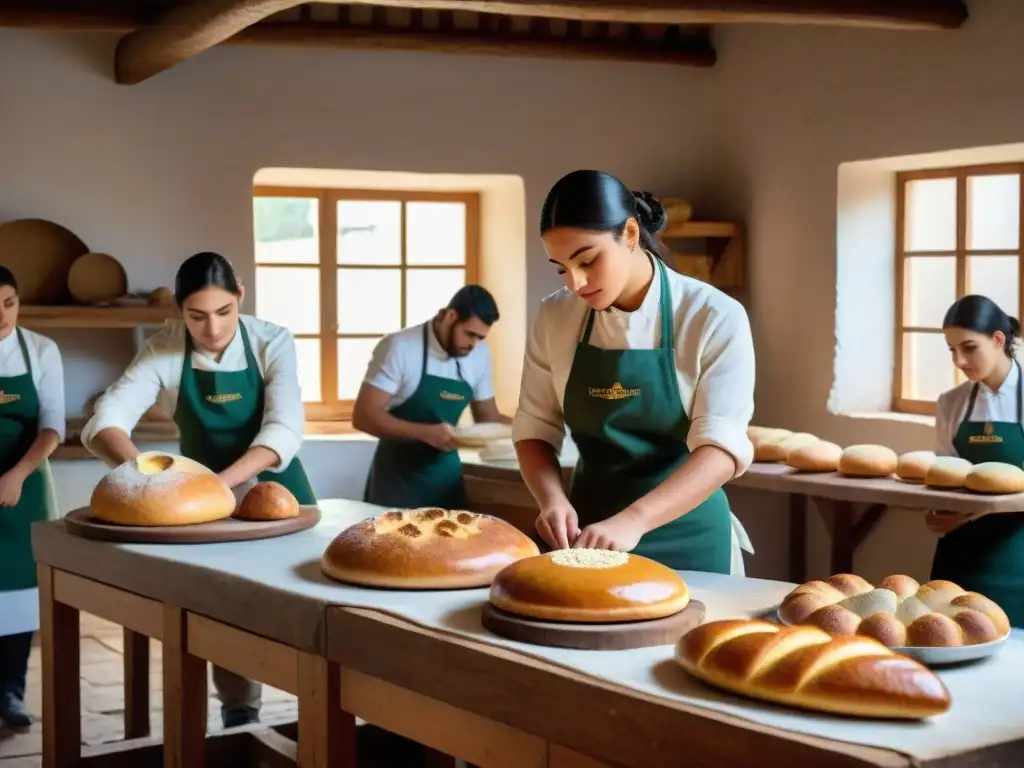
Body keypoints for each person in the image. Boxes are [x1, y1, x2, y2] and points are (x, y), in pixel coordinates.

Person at [81, 251, 315, 728]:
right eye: (197, 316)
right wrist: (149, 477)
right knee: (222, 609)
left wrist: (215, 485)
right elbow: (107, 421)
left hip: (276, 491)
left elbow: (284, 427)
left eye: (224, 312)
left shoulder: (273, 340)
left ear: (241, 296)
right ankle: (240, 717)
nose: (212, 329)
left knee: (299, 605)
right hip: (195, 510)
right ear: (179, 312)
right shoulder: (163, 350)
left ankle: (316, 708)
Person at [512, 170, 756, 574]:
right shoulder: (555, 315)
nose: (576, 282)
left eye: (588, 260)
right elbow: (535, 428)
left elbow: (721, 449)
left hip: (687, 533)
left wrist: (635, 520)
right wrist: (551, 500)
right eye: (560, 268)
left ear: (629, 234)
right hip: (587, 532)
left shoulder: (711, 315)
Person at [354, 285, 507, 510]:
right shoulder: (400, 347)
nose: (473, 344)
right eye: (469, 334)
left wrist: (533, 426)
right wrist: (425, 433)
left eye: (481, 337)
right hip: (396, 484)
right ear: (450, 316)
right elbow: (363, 416)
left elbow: (488, 418)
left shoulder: (479, 354)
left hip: (446, 482)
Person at [927, 294, 1024, 626]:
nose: (959, 360)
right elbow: (946, 472)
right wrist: (940, 510)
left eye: (969, 348)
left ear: (998, 340)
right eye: (952, 349)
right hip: (961, 555)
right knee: (949, 636)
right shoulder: (951, 404)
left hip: (1018, 552)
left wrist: (975, 510)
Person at [0, 267, 64, 728]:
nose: (2, 315)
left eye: (9, 302)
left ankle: (11, 694)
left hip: (23, 485)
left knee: (20, 596)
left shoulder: (41, 349)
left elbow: (52, 426)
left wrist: (17, 474)